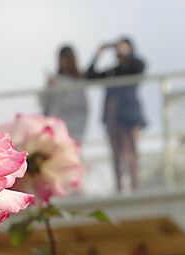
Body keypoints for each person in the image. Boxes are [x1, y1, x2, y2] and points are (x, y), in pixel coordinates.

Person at [86, 37, 146, 191]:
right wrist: (98, 54)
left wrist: (126, 52)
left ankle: (135, 187)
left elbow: (140, 65)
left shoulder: (134, 67)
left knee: (131, 151)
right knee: (116, 154)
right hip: (113, 118)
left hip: (130, 115)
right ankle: (119, 187)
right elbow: (90, 76)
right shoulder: (113, 72)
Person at [40, 45, 88, 143]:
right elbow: (43, 103)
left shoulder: (78, 79)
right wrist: (49, 86)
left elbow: (78, 102)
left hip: (74, 128)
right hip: (56, 127)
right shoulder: (54, 80)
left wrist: (60, 84)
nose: (64, 62)